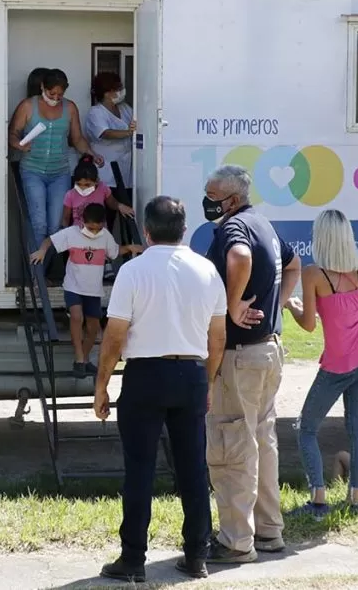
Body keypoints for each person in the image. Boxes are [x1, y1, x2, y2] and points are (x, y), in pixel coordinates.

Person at [94, 196, 227, 582]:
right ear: (184, 230)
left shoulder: (133, 272)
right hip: (191, 372)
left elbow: (114, 337)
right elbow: (216, 338)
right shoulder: (207, 271)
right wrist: (210, 380)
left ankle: (133, 559)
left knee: (139, 469)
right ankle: (196, 554)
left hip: (144, 375)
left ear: (146, 231)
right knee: (192, 470)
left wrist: (101, 385)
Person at [202, 165, 301, 564]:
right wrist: (276, 304)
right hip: (268, 351)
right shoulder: (264, 223)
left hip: (239, 355)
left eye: (212, 197)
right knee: (262, 442)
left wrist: (230, 304)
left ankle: (235, 542)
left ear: (232, 199)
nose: (207, 203)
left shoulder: (234, 229)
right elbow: (294, 266)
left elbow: (239, 257)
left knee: (233, 446)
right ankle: (268, 532)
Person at [284, 209, 358, 519]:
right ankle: (356, 498)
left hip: (335, 366)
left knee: (306, 428)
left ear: (321, 237)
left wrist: (292, 305)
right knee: (357, 430)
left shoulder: (314, 273)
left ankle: (319, 498)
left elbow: (309, 325)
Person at [30, 203, 142, 378]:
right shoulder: (71, 233)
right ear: (83, 221)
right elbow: (50, 240)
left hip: (93, 290)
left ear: (103, 225)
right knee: (76, 317)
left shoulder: (105, 236)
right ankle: (80, 358)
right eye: (91, 228)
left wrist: (129, 247)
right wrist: (42, 251)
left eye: (97, 229)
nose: (94, 232)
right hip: (73, 286)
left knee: (93, 327)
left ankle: (82, 361)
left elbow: (114, 251)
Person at [8, 68, 104, 253]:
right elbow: (12, 133)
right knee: (39, 224)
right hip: (32, 171)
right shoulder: (28, 106)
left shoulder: (70, 108)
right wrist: (19, 145)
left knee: (56, 226)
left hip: (60, 172)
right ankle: (38, 277)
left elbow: (77, 139)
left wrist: (91, 153)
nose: (56, 98)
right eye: (52, 94)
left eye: (60, 94)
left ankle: (44, 272)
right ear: (43, 87)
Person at [86, 72, 136, 233]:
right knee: (105, 218)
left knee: (129, 219)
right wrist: (129, 132)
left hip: (127, 173)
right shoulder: (96, 112)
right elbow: (105, 133)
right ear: (107, 92)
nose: (121, 91)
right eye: (118, 88)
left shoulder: (125, 108)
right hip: (105, 172)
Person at [61, 154, 134, 229]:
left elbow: (112, 203)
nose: (82, 188)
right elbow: (65, 218)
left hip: (100, 231)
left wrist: (120, 206)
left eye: (87, 185)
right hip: (78, 234)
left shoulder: (103, 188)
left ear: (96, 181)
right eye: (79, 184)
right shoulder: (70, 195)